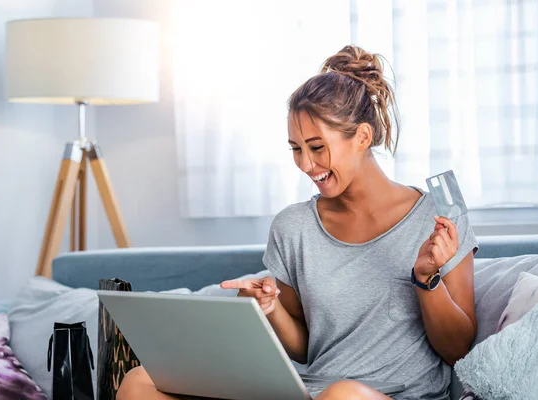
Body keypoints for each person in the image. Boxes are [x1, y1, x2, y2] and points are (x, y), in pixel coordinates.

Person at [117, 45, 479, 400]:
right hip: (311, 391)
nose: (306, 165)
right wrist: (270, 310)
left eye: (317, 147)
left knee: (343, 396)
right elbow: (306, 349)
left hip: (382, 396)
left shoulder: (438, 218)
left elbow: (458, 351)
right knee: (139, 381)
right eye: (295, 148)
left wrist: (426, 280)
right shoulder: (293, 228)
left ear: (363, 137)